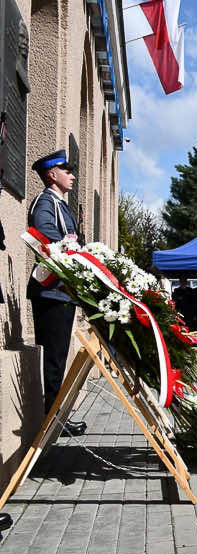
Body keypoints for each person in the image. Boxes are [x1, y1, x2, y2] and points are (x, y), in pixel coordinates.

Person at [27, 150, 86, 436]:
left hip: (61, 292)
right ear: (52, 175)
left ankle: (57, 415)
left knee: (58, 357)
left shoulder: (60, 204)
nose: (72, 175)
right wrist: (72, 246)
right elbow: (43, 230)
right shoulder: (45, 201)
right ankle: (54, 420)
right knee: (54, 358)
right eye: (67, 170)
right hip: (51, 291)